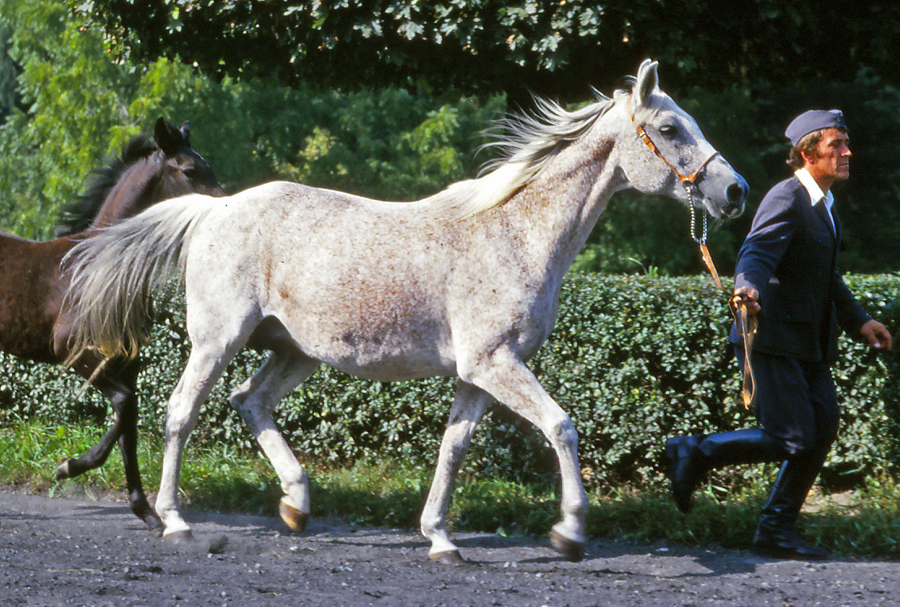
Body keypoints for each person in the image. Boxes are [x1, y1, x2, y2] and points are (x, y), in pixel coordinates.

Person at [665, 109, 893, 560]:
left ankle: (774, 530)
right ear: (808, 154)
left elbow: (828, 277)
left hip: (808, 344)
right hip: (769, 338)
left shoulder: (824, 205)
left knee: (821, 428)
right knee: (791, 437)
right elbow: (756, 252)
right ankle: (696, 450)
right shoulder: (787, 197)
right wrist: (746, 287)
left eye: (846, 144)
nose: (847, 153)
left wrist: (859, 320)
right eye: (837, 147)